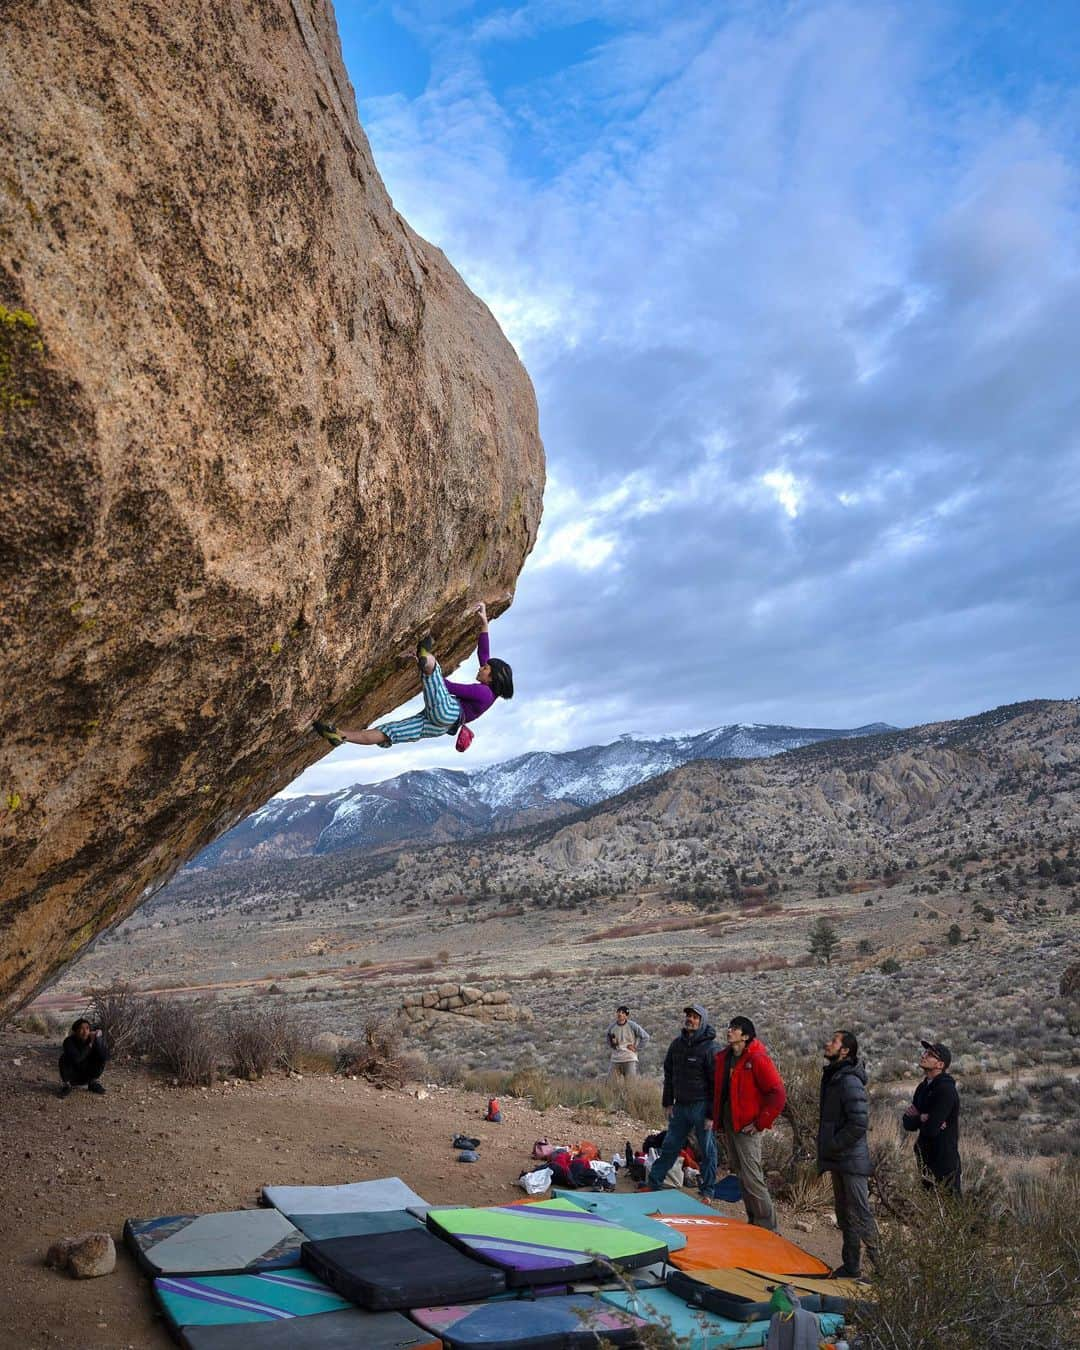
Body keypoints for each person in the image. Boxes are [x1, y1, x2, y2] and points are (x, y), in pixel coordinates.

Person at [314, 601, 513, 749]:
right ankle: (340, 735)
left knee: (434, 668)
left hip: (448, 712)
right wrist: (484, 623)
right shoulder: (489, 691)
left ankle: (424, 654)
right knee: (388, 732)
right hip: (439, 727)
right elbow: (484, 654)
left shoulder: (483, 693)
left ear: (492, 678)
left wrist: (424, 668)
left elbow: (448, 688)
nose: (481, 668)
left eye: (485, 669)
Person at [712, 1015, 786, 1228]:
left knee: (752, 1177)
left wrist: (760, 1123)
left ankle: (770, 1228)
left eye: (734, 1029)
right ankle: (754, 1221)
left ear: (745, 1036)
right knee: (742, 1176)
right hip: (731, 1123)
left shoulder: (757, 1058)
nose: (729, 1031)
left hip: (747, 1128)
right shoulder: (726, 1058)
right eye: (729, 1027)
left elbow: (778, 1094)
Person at [817, 1029, 879, 1278]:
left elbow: (858, 1123)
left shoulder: (849, 1081)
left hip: (851, 1160)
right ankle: (851, 1266)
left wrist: (834, 1144)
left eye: (834, 1041)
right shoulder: (835, 1076)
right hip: (840, 1158)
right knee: (844, 1214)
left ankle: (885, 1271)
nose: (827, 1043)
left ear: (844, 1051)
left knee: (861, 1213)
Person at [643, 1004, 718, 1195]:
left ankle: (708, 1191)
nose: (690, 1020)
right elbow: (669, 1074)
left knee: (707, 1150)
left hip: (701, 1106)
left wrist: (711, 1114)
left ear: (702, 1021)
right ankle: (654, 1183)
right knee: (670, 1145)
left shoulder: (711, 1048)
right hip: (680, 1106)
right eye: (689, 1016)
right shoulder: (677, 1045)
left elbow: (716, 1084)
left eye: (695, 1017)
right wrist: (668, 1102)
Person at [903, 1039, 961, 1195]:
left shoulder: (946, 1090)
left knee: (949, 1207)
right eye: (925, 1052)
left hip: (944, 1159)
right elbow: (907, 1123)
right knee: (928, 1205)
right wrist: (923, 1117)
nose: (924, 1056)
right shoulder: (922, 1087)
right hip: (924, 1156)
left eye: (930, 1054)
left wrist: (924, 1119)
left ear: (940, 1065)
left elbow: (931, 1129)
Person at [59, 1018, 109, 1097]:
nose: (85, 1031)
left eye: (87, 1028)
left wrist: (98, 1039)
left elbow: (105, 1057)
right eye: (81, 1028)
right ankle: (67, 1086)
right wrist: (91, 1044)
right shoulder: (68, 1041)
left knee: (100, 1057)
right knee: (64, 1057)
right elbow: (77, 1059)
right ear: (75, 1031)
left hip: (88, 1074)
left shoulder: (93, 1039)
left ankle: (92, 1083)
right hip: (73, 1077)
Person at [606, 1005, 650, 1077]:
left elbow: (646, 1037)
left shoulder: (632, 1025)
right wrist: (613, 1045)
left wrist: (636, 1048)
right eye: (619, 1012)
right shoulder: (612, 1027)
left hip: (629, 1058)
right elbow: (608, 1039)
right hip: (615, 1059)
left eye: (623, 1013)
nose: (620, 1014)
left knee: (630, 1084)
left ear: (626, 1016)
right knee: (610, 1084)